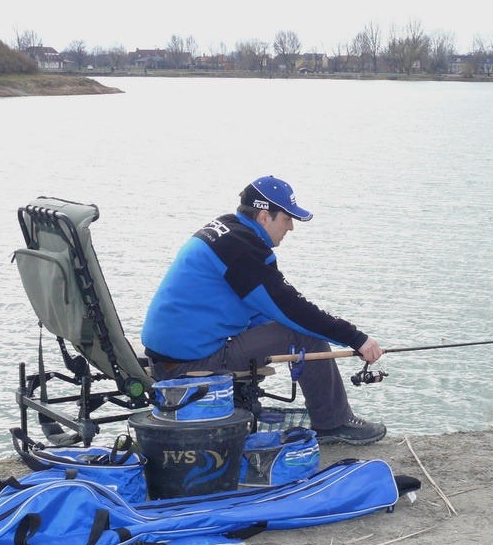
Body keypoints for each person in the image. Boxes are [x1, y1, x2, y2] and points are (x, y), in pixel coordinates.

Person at [141, 176, 386, 445]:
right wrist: (357, 339)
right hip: (187, 365)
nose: (291, 227)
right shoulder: (242, 251)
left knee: (292, 324)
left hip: (171, 355)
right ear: (263, 216)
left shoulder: (226, 230)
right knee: (304, 333)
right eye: (287, 218)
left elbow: (264, 308)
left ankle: (329, 416)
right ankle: (333, 422)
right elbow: (293, 310)